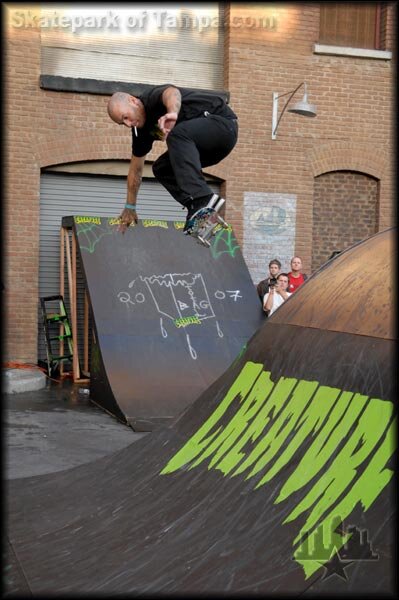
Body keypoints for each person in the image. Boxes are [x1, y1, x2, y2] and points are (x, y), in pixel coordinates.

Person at [107, 85, 238, 234]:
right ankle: (197, 206)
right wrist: (130, 206)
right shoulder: (140, 133)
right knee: (161, 168)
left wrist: (172, 113)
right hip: (205, 150)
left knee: (176, 135)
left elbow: (172, 92)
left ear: (133, 101)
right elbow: (135, 170)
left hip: (222, 126)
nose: (128, 124)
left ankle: (203, 198)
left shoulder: (150, 99)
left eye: (125, 117)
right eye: (122, 123)